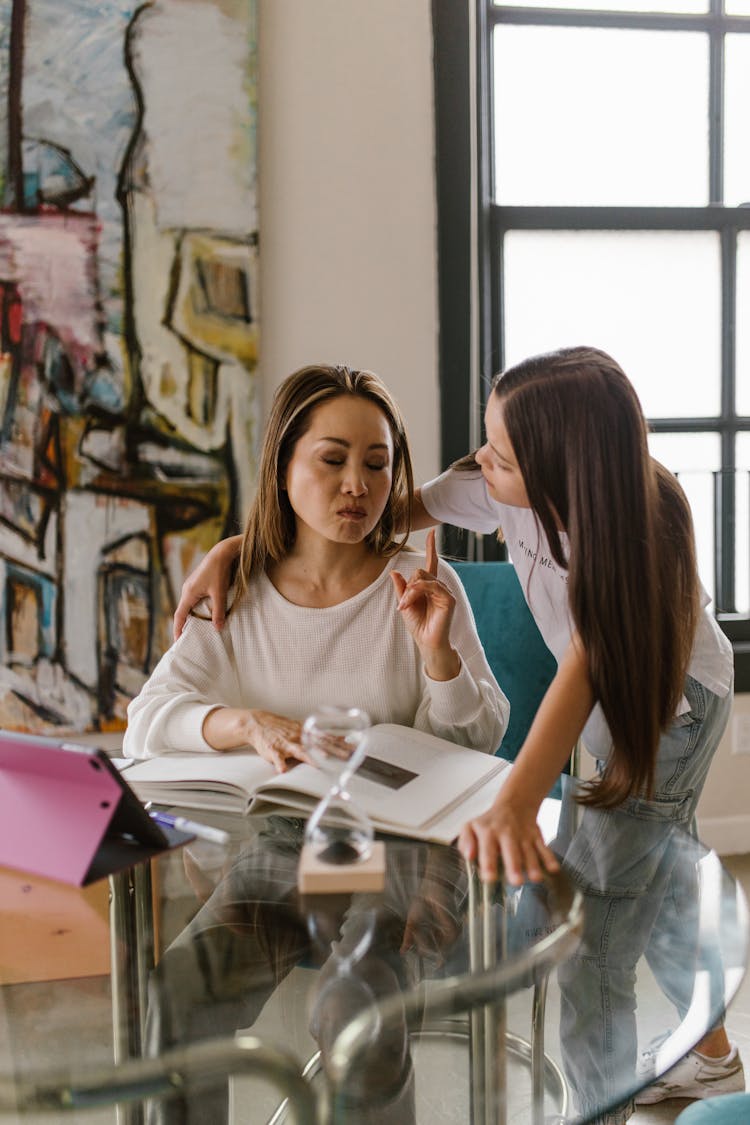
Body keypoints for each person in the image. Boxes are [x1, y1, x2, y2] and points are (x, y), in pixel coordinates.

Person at [176, 347, 744, 1124]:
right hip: (613, 706)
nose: (478, 462)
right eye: (486, 438)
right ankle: (712, 1054)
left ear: (558, 477)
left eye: (500, 456)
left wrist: (515, 801)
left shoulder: (644, 526)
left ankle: (601, 1110)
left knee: (596, 939)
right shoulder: (498, 490)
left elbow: (584, 669)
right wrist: (245, 543)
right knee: (656, 875)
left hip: (668, 711)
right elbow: (380, 509)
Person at [127, 362, 508, 1124]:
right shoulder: (237, 593)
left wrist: (439, 658)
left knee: (354, 1010)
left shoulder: (420, 584)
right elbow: (150, 716)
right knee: (177, 994)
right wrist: (245, 723)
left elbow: (478, 740)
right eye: (332, 460)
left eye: (377, 464)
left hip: (407, 850)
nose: (357, 486)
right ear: (284, 463)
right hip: (286, 848)